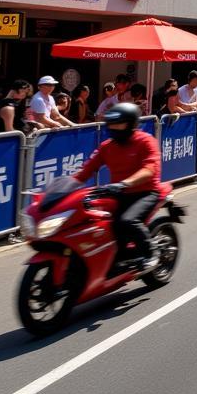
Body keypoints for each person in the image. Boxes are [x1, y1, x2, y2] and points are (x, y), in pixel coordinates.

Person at [72, 103, 161, 272]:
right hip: (117, 193)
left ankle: (151, 253)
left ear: (131, 124)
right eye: (111, 124)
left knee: (126, 221)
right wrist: (65, 187)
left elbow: (149, 170)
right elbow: (86, 170)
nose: (114, 128)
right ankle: (115, 257)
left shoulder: (146, 141)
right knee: (94, 221)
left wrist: (124, 183)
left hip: (145, 192)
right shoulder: (107, 146)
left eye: (119, 124)